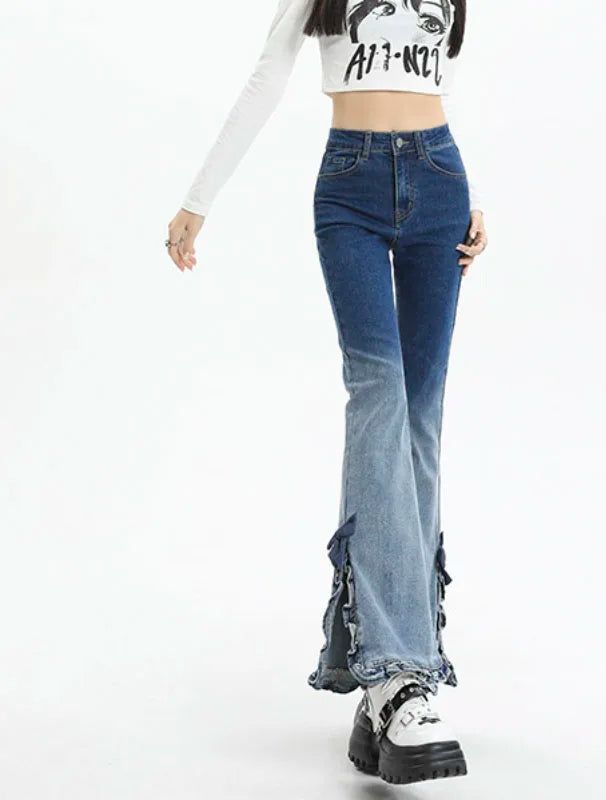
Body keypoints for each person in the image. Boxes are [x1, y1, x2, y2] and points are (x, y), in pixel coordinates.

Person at [165, 0, 488, 785]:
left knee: (419, 419)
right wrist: (198, 198)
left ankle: (387, 676)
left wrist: (470, 194)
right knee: (378, 399)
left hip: (441, 179)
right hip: (350, 187)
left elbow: (436, 82)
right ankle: (398, 676)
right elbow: (267, 75)